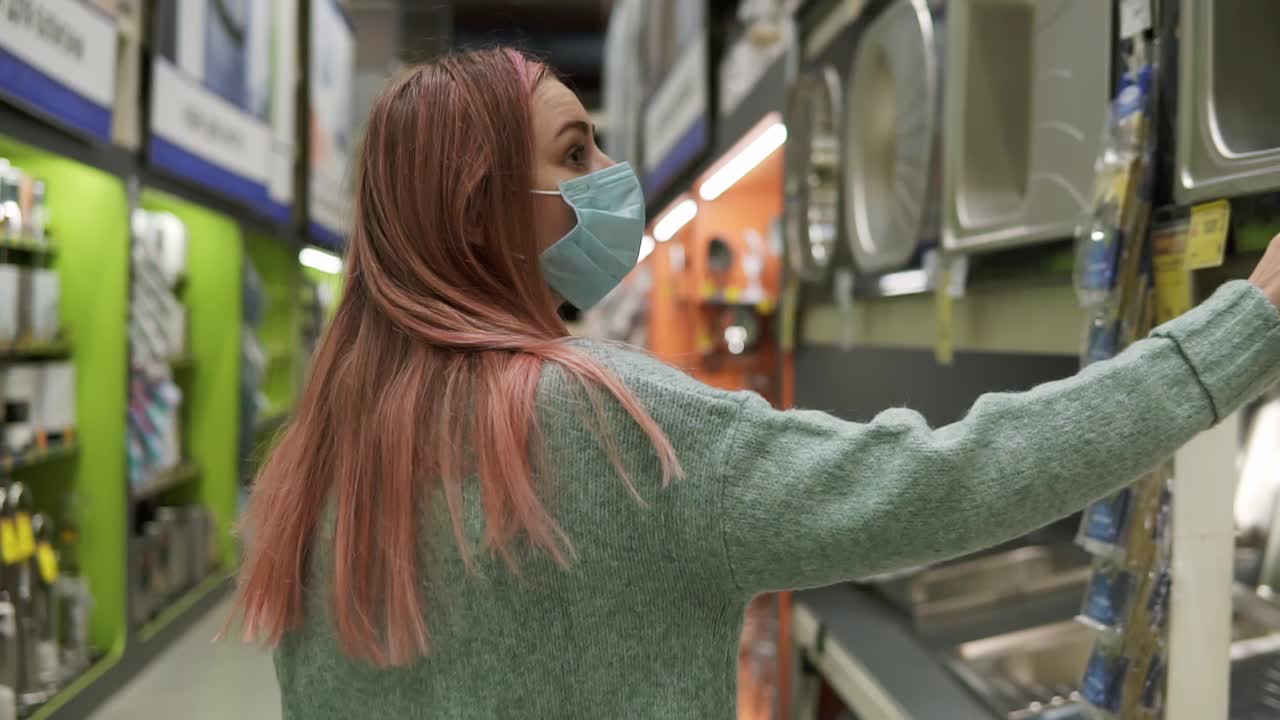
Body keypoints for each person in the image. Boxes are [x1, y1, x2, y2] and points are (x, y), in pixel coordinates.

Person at [233, 48, 1280, 719]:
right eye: (575, 150)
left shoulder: (319, 467)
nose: (611, 171)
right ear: (478, 215)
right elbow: (944, 480)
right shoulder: (604, 422)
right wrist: (1243, 328)